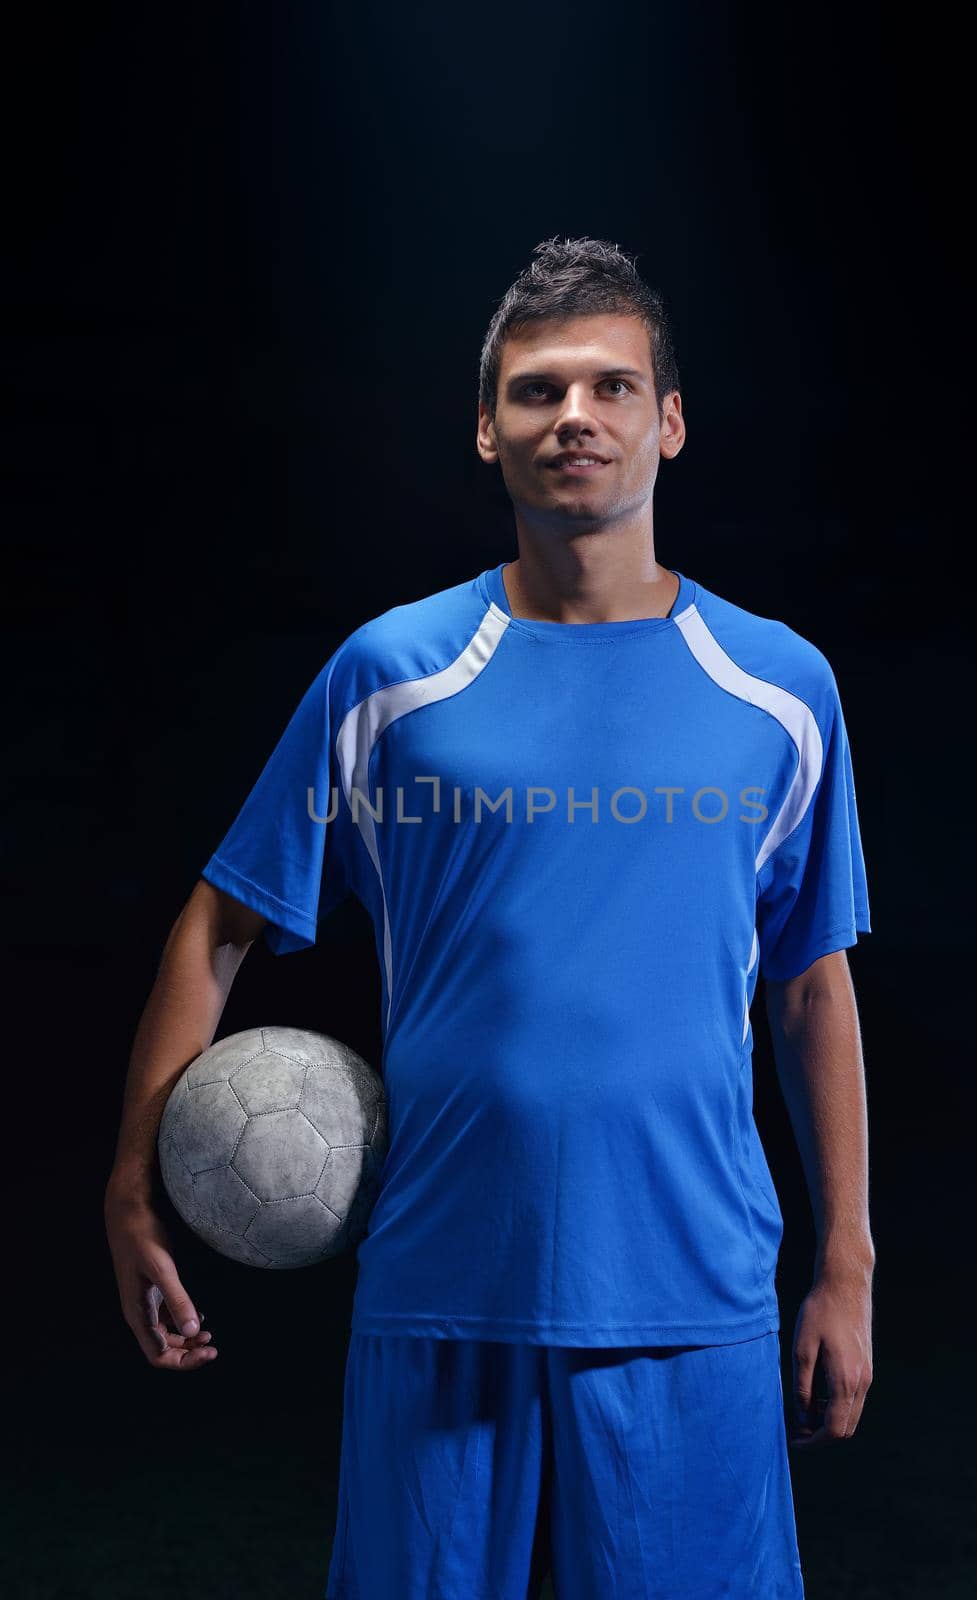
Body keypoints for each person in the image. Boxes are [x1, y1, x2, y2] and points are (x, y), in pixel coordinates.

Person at [104, 236, 874, 1599]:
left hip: (691, 1297)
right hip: (442, 1282)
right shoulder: (392, 675)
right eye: (534, 391)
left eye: (611, 387)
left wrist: (847, 1266)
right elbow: (218, 926)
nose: (572, 415)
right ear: (486, 427)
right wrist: (131, 1189)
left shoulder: (779, 689)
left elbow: (811, 986)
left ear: (670, 422)